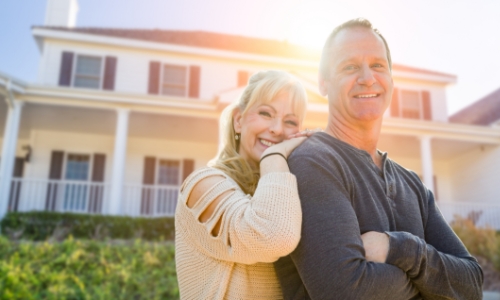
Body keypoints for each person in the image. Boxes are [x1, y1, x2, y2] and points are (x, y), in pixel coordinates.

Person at [275, 18, 483, 300]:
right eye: (350, 67)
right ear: (323, 83)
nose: (367, 78)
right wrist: (431, 286)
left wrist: (398, 249)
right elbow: (345, 291)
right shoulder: (313, 163)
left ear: (391, 80)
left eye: (377, 65)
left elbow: (471, 284)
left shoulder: (412, 184)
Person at [175, 70, 312, 299]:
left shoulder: (290, 195)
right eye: (266, 113)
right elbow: (273, 237)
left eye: (290, 121)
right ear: (238, 120)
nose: (277, 129)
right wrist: (275, 156)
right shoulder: (202, 185)